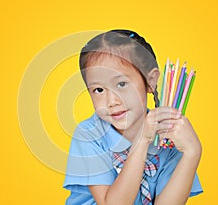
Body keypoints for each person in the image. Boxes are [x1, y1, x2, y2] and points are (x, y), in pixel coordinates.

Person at [63, 29, 203, 205]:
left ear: (150, 81)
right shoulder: (89, 135)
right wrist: (142, 140)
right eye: (98, 90)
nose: (111, 101)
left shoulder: (168, 137)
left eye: (121, 84)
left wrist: (192, 152)